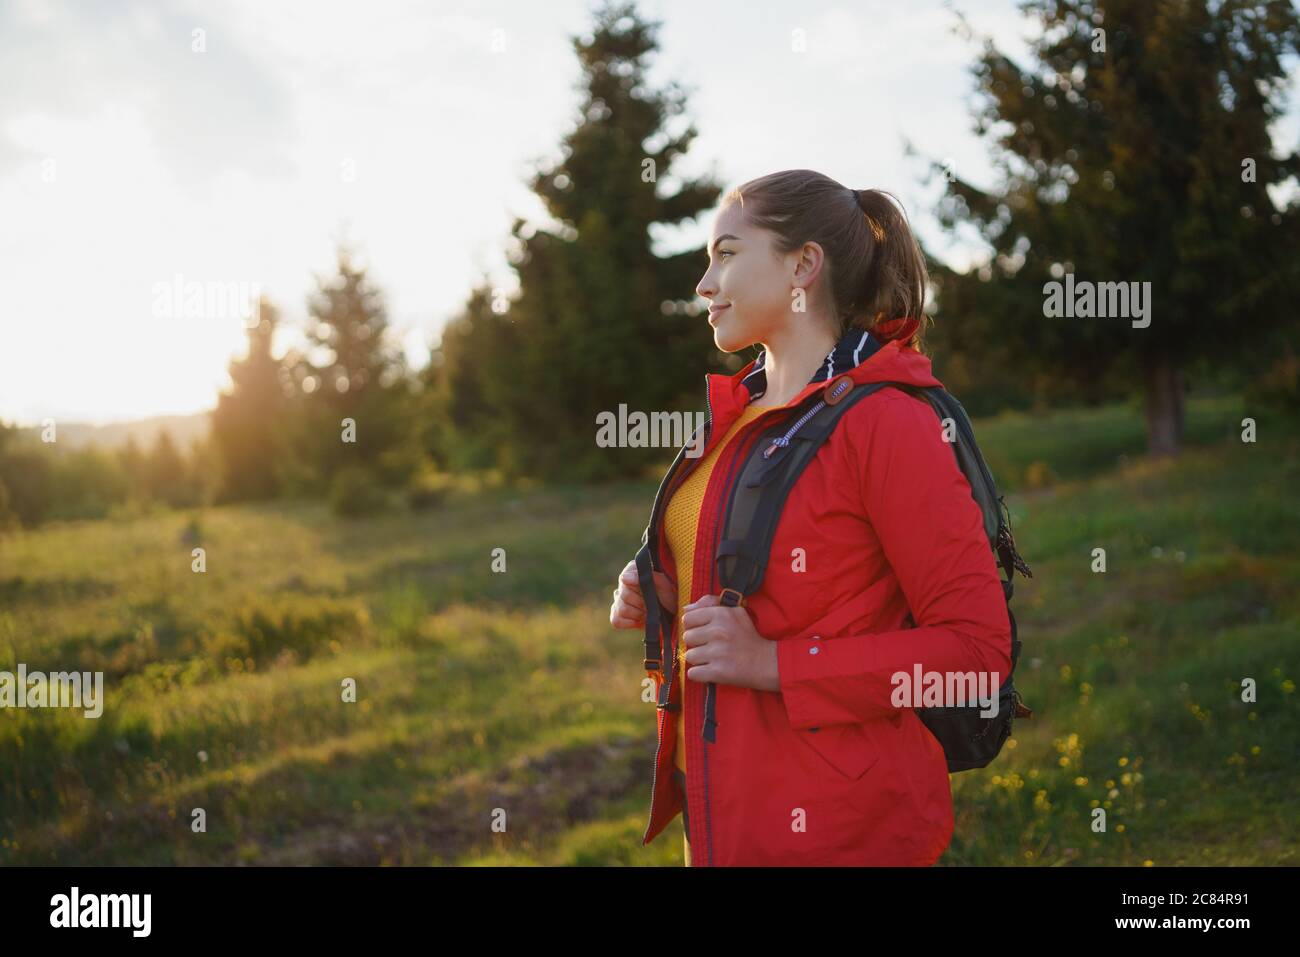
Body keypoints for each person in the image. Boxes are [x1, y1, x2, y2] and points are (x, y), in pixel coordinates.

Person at [609, 169, 1012, 866]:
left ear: (803, 264)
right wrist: (661, 584)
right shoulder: (736, 419)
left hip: (842, 831)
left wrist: (772, 663)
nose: (704, 284)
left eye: (727, 254)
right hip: (721, 816)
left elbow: (974, 657)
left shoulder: (885, 421)